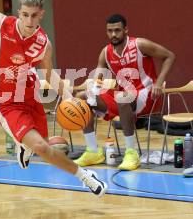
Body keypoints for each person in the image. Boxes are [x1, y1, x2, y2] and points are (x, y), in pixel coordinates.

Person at [0, 0, 107, 197]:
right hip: (4, 101)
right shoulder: (2, 24)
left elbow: (49, 74)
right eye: (25, 14)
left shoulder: (44, 44)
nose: (29, 20)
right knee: (42, 147)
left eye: (34, 15)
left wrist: (67, 96)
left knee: (43, 142)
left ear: (42, 15)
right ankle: (85, 177)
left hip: (29, 93)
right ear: (19, 13)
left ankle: (23, 146)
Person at [74, 14, 175, 170]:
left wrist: (159, 83)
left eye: (117, 30)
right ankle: (93, 151)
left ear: (126, 30)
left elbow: (169, 56)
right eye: (109, 31)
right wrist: (93, 93)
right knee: (82, 97)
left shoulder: (140, 44)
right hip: (124, 99)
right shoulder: (105, 53)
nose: (113, 34)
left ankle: (131, 153)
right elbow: (98, 77)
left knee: (122, 97)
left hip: (148, 94)